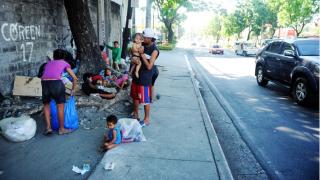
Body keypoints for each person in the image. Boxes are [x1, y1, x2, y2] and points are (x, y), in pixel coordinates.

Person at [41, 49, 78, 135]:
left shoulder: (48, 63)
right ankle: (61, 129)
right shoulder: (64, 63)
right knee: (60, 107)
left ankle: (48, 128)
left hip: (44, 83)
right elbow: (74, 78)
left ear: (54, 56)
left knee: (46, 105)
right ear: (64, 57)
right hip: (56, 83)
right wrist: (73, 89)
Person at [130, 28, 160, 126]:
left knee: (145, 99)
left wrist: (142, 54)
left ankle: (146, 119)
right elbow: (133, 55)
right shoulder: (141, 44)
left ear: (150, 38)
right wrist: (133, 58)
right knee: (135, 96)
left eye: (144, 37)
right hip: (136, 75)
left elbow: (149, 66)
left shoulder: (154, 50)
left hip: (145, 77)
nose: (142, 39)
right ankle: (136, 114)